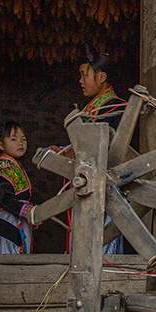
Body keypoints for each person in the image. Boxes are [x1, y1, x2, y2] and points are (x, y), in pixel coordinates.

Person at [49, 46, 129, 254]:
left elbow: (111, 152)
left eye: (85, 75)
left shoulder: (116, 109)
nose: (81, 81)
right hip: (87, 184)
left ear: (101, 77)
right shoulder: (91, 109)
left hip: (106, 186)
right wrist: (66, 153)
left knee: (102, 244)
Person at [0, 121, 36, 254]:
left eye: (23, 139)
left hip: (18, 219)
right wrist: (29, 212)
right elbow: (5, 199)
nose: (20, 143)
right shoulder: (1, 168)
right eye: (13, 139)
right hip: (7, 223)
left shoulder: (16, 167)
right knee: (8, 259)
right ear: (1, 145)